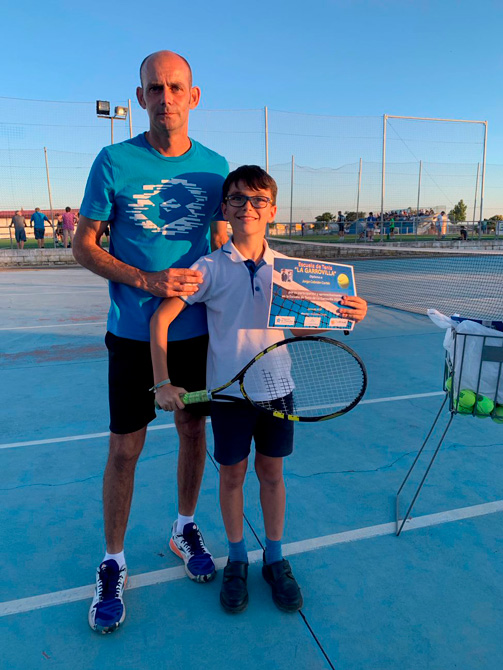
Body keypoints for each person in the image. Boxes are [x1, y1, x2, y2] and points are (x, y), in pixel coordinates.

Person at [150, 166, 368, 614]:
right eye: (237, 198)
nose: (247, 207)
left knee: (272, 475)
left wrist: (348, 312)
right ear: (224, 208)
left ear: (272, 210)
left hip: (277, 390)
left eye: (257, 200)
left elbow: (316, 320)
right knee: (232, 477)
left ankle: (274, 558)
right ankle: (237, 559)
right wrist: (162, 382)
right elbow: (160, 319)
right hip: (230, 397)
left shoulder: (290, 271)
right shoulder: (208, 267)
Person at [73, 50, 229, 634]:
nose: (166, 98)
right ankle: (113, 561)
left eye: (176, 87)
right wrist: (147, 281)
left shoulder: (216, 169)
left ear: (194, 96)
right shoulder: (113, 161)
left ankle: (184, 527)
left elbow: (227, 247)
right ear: (140, 97)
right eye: (155, 88)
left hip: (197, 333)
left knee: (193, 432)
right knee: (125, 450)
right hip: (132, 335)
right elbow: (83, 246)